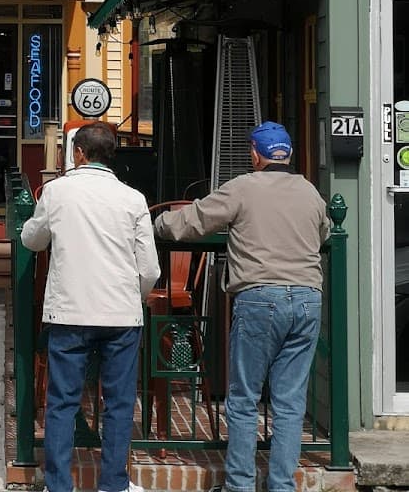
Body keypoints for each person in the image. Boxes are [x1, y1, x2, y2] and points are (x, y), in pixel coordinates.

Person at [153, 122, 330, 492]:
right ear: (289, 154)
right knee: (290, 400)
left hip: (261, 298)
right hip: (308, 299)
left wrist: (158, 223)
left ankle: (239, 485)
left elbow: (192, 221)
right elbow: (326, 232)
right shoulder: (310, 192)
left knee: (244, 398)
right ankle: (281, 485)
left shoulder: (243, 187)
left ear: (255, 153)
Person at [21, 122, 160, 492]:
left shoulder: (57, 192)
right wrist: (137, 295)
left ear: (78, 153)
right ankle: (113, 483)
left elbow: (32, 240)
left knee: (62, 401)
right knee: (118, 403)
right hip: (120, 313)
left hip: (70, 311)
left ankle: (58, 484)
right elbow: (150, 268)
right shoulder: (133, 199)